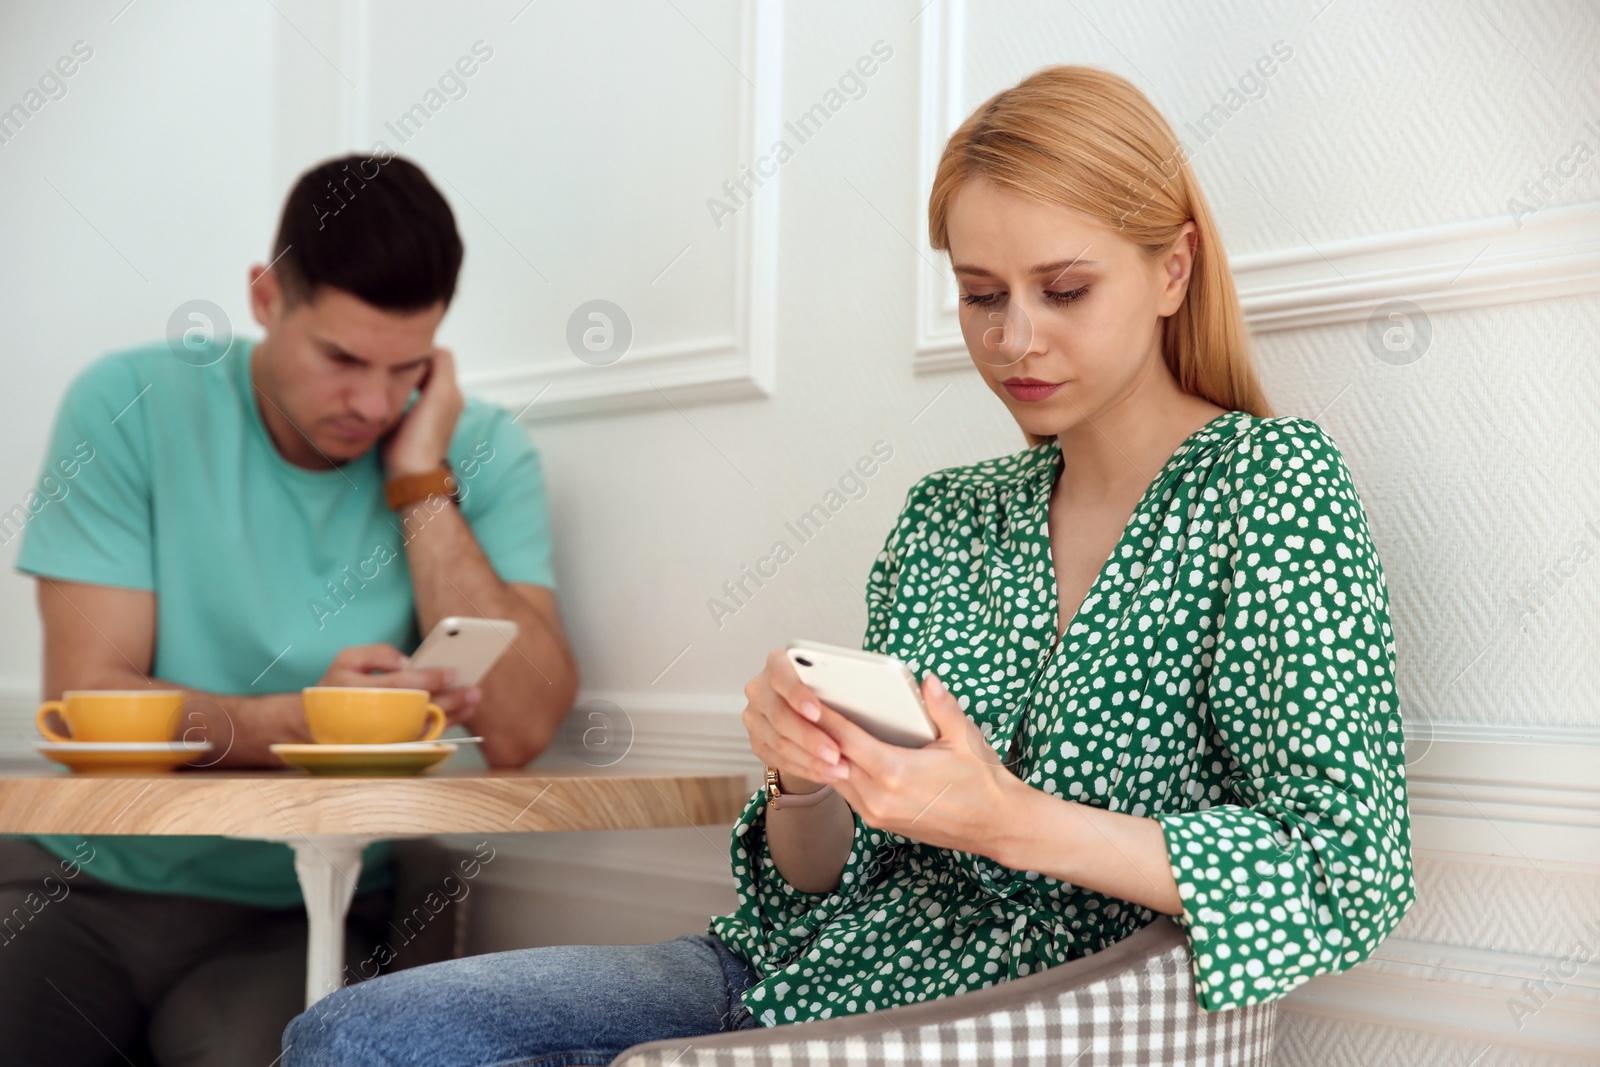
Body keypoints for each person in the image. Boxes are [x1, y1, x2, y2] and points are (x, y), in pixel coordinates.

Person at [280, 65, 1415, 1064]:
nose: (1015, 337)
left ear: (1173, 270)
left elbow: (1344, 869)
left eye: (1063, 290)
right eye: (979, 295)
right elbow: (817, 875)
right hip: (791, 972)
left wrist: (1002, 815)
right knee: (358, 1031)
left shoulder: (1266, 488)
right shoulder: (947, 518)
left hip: (1013, 1015)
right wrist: (803, 777)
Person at [2, 153, 579, 1066]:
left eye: (408, 367)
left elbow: (520, 729)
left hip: (301, 906)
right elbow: (93, 699)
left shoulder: (476, 450)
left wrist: (420, 484)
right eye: (342, 357)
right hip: (79, 883)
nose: (373, 402)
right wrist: (309, 722)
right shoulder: (129, 404)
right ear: (266, 299)